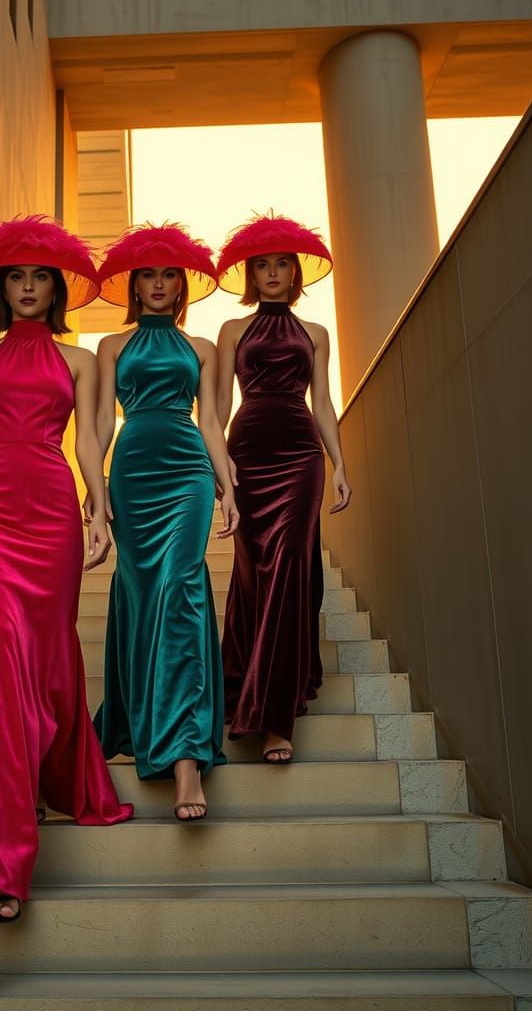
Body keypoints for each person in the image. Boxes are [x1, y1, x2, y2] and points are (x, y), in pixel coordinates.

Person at [0, 215, 133, 924]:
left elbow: (87, 445)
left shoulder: (79, 361)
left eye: (39, 277)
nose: (26, 287)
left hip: (50, 510)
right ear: (1, 287)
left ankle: (46, 776)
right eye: (15, 276)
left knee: (46, 658)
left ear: (56, 288)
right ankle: (0, 861)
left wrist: (98, 509)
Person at [89, 223, 238, 821]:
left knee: (180, 591)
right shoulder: (110, 346)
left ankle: (185, 758)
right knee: (142, 594)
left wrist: (227, 487)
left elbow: (211, 424)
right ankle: (141, 716)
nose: (157, 284)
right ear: (134, 285)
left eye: (168, 275)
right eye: (148, 275)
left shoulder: (201, 348)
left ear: (182, 285)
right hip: (132, 473)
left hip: (187, 474)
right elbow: (100, 425)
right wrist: (95, 494)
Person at [215, 214, 351, 764]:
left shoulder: (315, 333)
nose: (272, 273)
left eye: (281, 264)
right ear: (251, 274)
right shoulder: (231, 330)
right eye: (262, 265)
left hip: (300, 456)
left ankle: (275, 718)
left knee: (290, 569)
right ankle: (244, 684)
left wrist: (339, 464)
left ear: (295, 272)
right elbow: (217, 407)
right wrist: (219, 464)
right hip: (247, 452)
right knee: (253, 574)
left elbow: (324, 403)